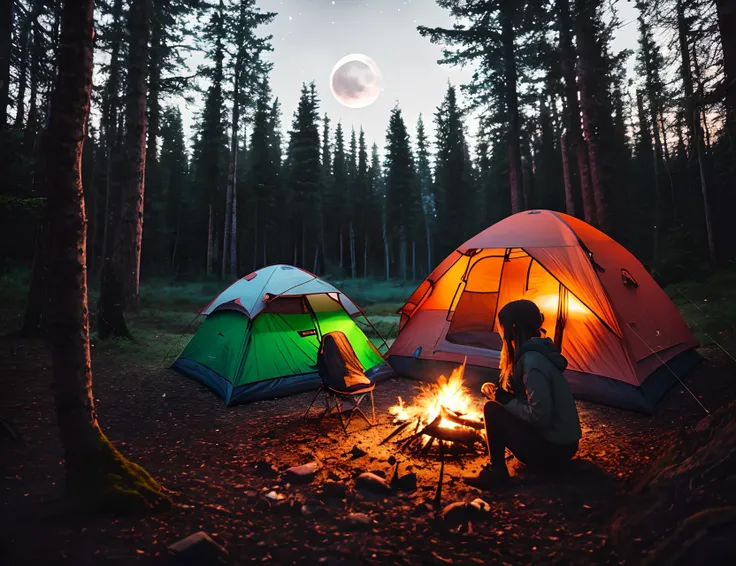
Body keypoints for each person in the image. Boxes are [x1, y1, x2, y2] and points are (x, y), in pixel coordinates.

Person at [464, 299, 582, 489]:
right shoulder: (534, 354)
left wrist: (502, 399)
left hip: (555, 451)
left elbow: (539, 415)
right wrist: (501, 393)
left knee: (492, 410)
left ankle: (498, 472)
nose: (500, 334)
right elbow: (525, 396)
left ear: (513, 328)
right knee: (498, 405)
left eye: (502, 328)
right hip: (563, 444)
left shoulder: (533, 363)